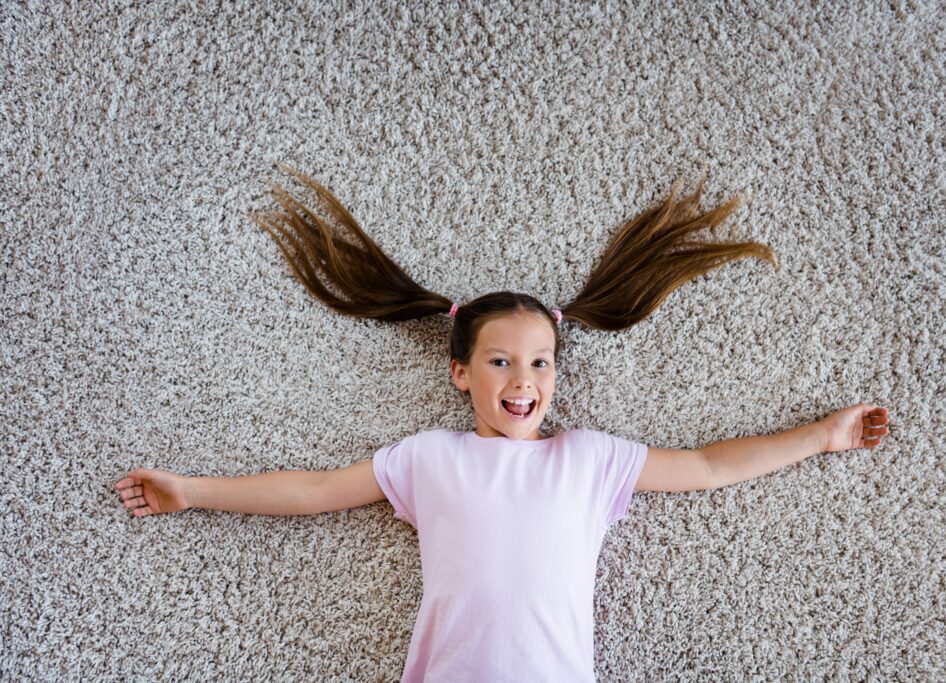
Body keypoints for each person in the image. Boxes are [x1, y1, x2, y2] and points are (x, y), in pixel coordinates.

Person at [115, 164, 891, 682]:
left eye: (540, 363)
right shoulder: (429, 458)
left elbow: (710, 465)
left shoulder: (589, 459)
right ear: (460, 372)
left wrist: (823, 435)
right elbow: (315, 489)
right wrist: (194, 490)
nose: (524, 380)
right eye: (500, 362)